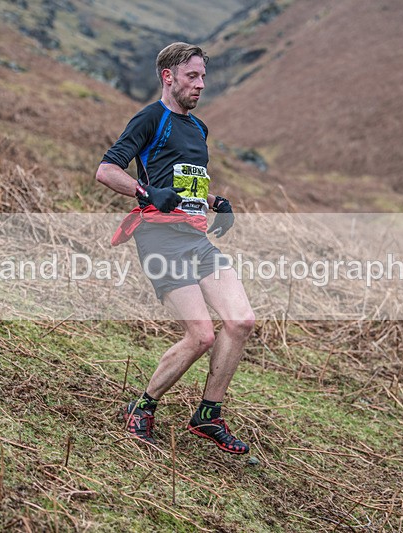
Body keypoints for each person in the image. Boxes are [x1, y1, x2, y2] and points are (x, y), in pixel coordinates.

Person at [95, 42, 255, 455]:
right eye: (192, 76)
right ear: (168, 77)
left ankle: (208, 415)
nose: (200, 84)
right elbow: (107, 170)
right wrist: (145, 191)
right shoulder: (152, 118)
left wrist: (215, 203)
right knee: (201, 334)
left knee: (241, 321)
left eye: (203, 76)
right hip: (160, 238)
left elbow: (186, 185)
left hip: (195, 238)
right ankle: (142, 407)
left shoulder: (199, 129)